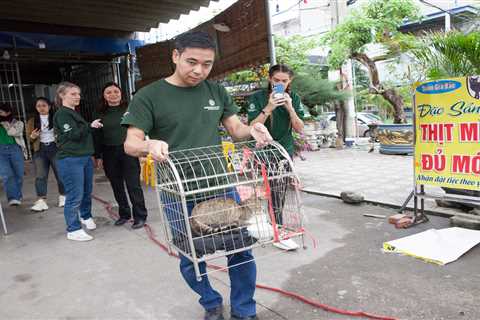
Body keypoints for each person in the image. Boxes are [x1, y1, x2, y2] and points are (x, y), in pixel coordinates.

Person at [122, 31, 272, 320]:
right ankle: (210, 301)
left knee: (240, 248)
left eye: (207, 64)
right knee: (190, 256)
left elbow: (237, 131)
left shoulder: (216, 92)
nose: (199, 70)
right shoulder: (149, 96)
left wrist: (253, 129)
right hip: (176, 190)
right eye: (191, 62)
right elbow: (130, 143)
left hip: (218, 184)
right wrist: (149, 144)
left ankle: (244, 310)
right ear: (175, 56)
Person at [247, 64, 305, 251]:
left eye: (284, 81)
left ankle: (276, 226)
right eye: (276, 80)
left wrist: (290, 108)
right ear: (270, 79)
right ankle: (261, 224)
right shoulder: (257, 97)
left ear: (290, 82)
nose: (280, 84)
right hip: (261, 149)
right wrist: (269, 107)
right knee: (260, 190)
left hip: (283, 150)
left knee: (278, 190)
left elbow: (299, 128)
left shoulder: (293, 98)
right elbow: (253, 126)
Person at [92, 82, 148, 229]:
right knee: (117, 185)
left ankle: (140, 216)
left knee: (133, 185)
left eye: (116, 91)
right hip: (109, 152)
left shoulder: (130, 108)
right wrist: (97, 156)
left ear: (121, 93)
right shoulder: (99, 113)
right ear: (104, 96)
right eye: (108, 92)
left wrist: (142, 148)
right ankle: (124, 214)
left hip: (128, 151)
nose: (113, 94)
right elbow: (97, 135)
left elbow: (142, 127)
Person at [53, 82, 97, 241]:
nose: (77, 97)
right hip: (71, 159)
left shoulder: (73, 112)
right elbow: (73, 135)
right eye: (73, 94)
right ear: (62, 95)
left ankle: (85, 216)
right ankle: (73, 229)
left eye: (78, 94)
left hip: (83, 157)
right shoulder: (62, 114)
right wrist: (89, 126)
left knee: (86, 190)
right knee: (75, 195)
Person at [27, 97, 65, 211]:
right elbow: (29, 139)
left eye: (44, 105)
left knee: (61, 174)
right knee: (40, 176)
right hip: (40, 150)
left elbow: (65, 133)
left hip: (55, 148)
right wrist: (32, 137)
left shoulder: (57, 118)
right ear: (36, 107)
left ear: (49, 106)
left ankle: (63, 196)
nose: (41, 108)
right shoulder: (32, 121)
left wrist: (60, 137)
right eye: (38, 106)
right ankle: (41, 200)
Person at [0, 103, 26, 206]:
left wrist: (5, 124)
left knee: (18, 174)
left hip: (15, 149)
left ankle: (17, 195)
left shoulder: (18, 123)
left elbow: (12, 133)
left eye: (1, 112)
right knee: (7, 174)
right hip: (1, 151)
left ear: (8, 112)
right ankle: (13, 198)